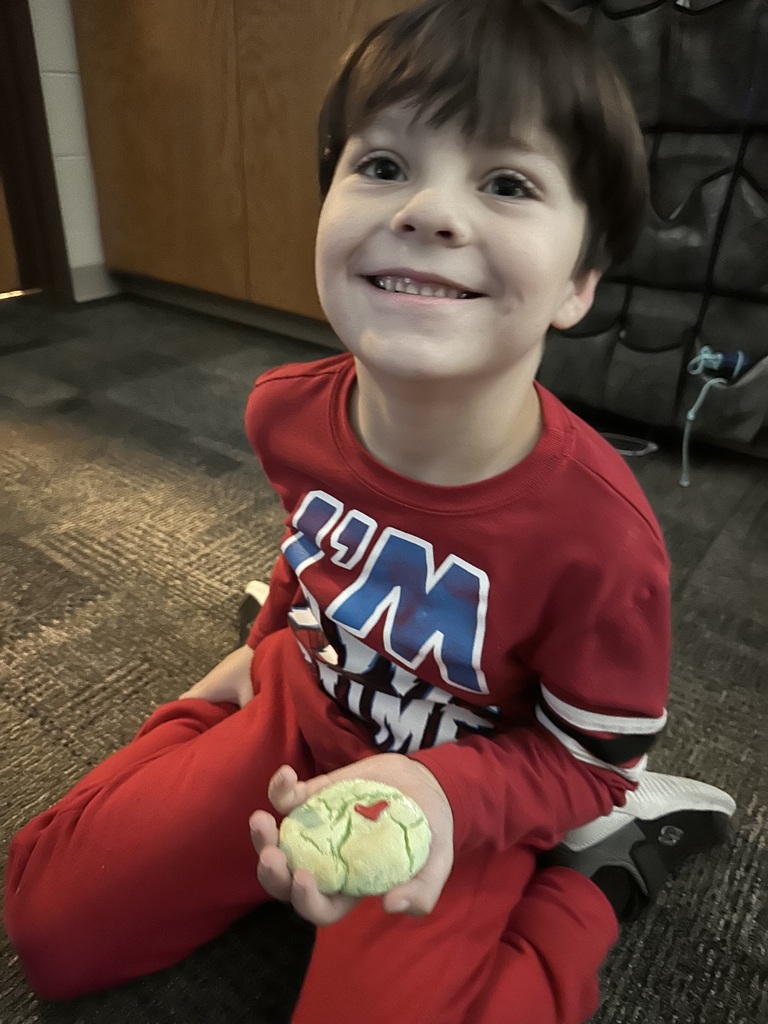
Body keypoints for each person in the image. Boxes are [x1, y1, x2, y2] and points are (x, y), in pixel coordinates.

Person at [3, 1, 736, 1021]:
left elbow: (593, 760)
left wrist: (448, 799)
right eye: (384, 165)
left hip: (462, 788)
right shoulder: (286, 412)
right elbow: (313, 546)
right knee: (49, 920)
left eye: (507, 182)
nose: (430, 211)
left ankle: (595, 881)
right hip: (305, 709)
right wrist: (260, 656)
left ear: (578, 281)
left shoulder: (603, 538)